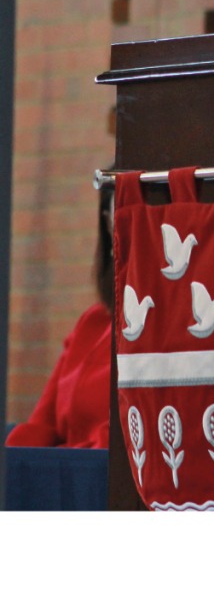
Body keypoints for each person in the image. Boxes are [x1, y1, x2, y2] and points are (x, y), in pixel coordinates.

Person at [5, 190, 114, 450]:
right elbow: (41, 426)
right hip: (67, 468)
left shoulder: (171, 325)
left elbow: (123, 445)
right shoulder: (92, 322)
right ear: (108, 224)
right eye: (121, 217)